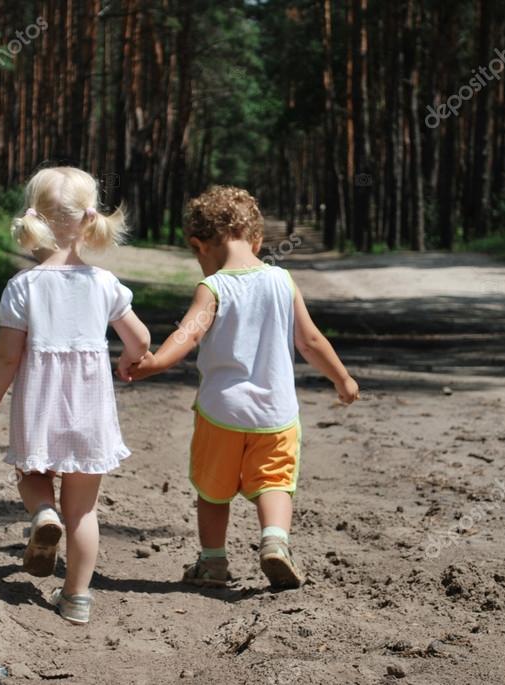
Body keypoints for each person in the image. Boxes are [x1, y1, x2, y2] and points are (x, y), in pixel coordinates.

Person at [121, 186, 358, 590]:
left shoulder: (214, 287)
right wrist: (342, 378)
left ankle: (213, 562)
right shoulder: (282, 281)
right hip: (276, 415)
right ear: (258, 240)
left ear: (199, 245)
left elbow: (189, 334)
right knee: (276, 482)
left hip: (221, 413)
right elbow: (311, 341)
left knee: (213, 491)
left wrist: (155, 362)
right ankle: (274, 542)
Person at [0, 166, 150, 624]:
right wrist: (129, 360)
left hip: (40, 406)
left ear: (35, 220)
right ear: (90, 221)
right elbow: (141, 340)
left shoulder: (23, 286)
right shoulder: (105, 283)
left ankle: (43, 512)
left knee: (32, 473)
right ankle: (77, 597)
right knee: (84, 509)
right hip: (89, 409)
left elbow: (6, 358)